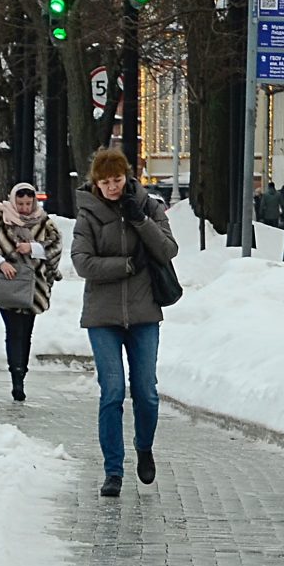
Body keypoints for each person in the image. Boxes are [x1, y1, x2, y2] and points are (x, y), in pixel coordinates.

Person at [72, 147, 179, 498]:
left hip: (145, 312)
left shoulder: (148, 206)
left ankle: (144, 447)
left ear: (127, 175)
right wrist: (126, 266)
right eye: (105, 182)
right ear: (96, 183)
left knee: (146, 392)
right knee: (113, 392)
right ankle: (113, 471)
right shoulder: (87, 215)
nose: (112, 187)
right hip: (103, 316)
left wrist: (140, 221)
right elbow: (83, 263)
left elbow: (167, 250)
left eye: (117, 179)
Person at [0, 181, 63, 404]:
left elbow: (56, 246)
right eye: (20, 203)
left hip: (33, 286)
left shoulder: (44, 221)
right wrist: (0, 262)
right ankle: (16, 379)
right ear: (13, 200)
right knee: (13, 331)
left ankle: (22, 371)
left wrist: (32, 248)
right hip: (7, 284)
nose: (24, 207)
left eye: (28, 203)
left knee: (26, 332)